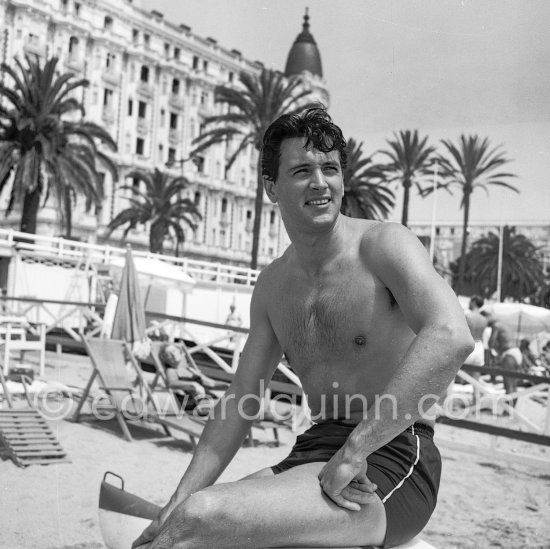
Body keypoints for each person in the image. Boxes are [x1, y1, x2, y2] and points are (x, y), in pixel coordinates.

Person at [133, 106, 473, 549]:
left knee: (203, 516)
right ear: (271, 187)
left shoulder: (383, 246)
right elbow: (240, 402)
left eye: (330, 168)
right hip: (312, 450)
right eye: (302, 170)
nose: (320, 182)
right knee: (189, 517)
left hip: (390, 454)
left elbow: (451, 335)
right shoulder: (274, 285)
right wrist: (170, 507)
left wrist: (355, 451)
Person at [484, 311, 522, 408]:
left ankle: (509, 409)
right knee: (513, 384)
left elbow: (490, 344)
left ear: (489, 317)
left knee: (508, 384)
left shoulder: (496, 325)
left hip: (509, 355)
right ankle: (513, 408)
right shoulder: (504, 324)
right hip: (516, 352)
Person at [463, 295, 488, 405]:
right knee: (476, 378)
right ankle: (475, 403)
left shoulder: (467, 316)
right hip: (479, 347)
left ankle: (445, 403)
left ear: (473, 302)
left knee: (452, 373)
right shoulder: (484, 319)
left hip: (468, 344)